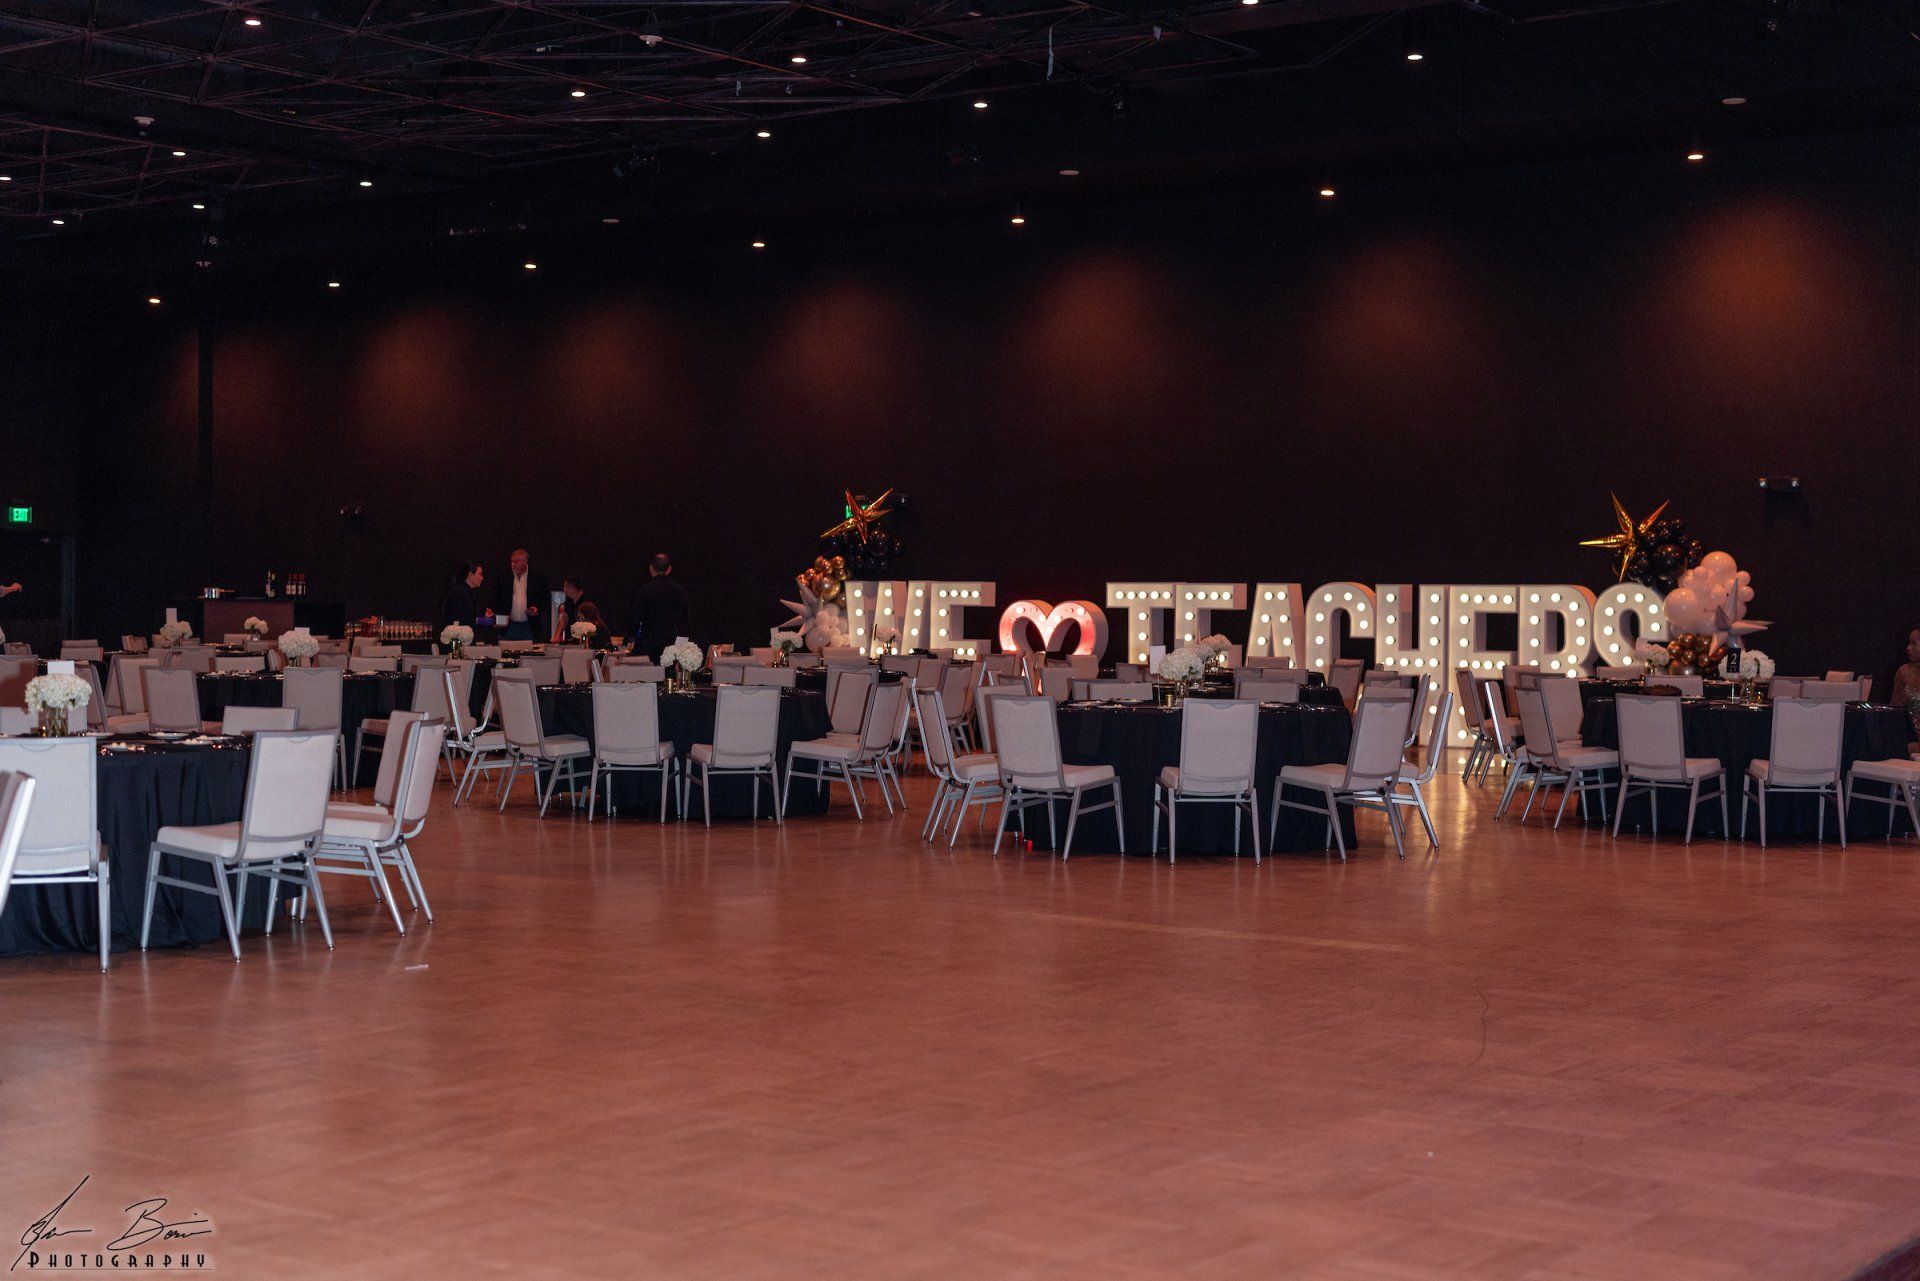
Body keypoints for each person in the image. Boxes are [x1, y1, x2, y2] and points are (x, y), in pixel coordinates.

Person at [628, 552, 690, 661]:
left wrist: (631, 638)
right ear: (669, 569)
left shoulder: (644, 590)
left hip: (648, 644)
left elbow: (635, 618)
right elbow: (685, 619)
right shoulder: (678, 591)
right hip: (671, 644)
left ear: (651, 568)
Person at [494, 548, 549, 642]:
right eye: (512, 561)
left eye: (516, 562)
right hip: (507, 625)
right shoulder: (504, 576)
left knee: (529, 655)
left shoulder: (537, 577)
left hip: (529, 625)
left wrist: (537, 608)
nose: (513, 564)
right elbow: (496, 597)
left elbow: (544, 598)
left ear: (525, 562)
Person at [556, 575, 608, 647]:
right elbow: (565, 617)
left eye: (565, 587)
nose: (564, 589)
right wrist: (557, 635)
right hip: (575, 639)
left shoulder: (586, 601)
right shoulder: (569, 601)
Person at [442, 562, 489, 629]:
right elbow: (455, 620)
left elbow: (469, 615)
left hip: (463, 636)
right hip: (456, 638)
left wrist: (483, 614)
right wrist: (478, 620)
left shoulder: (469, 592)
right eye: (480, 574)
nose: (482, 578)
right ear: (470, 575)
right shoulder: (458, 592)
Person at [1894, 624, 1920, 720]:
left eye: (1913, 644)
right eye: (1909, 643)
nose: (1908, 647)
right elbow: (1894, 708)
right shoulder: (1904, 672)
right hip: (1909, 731)